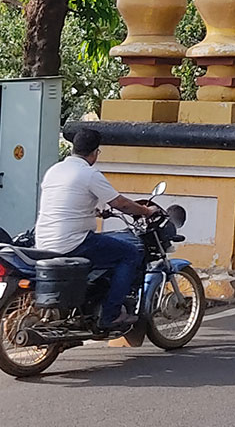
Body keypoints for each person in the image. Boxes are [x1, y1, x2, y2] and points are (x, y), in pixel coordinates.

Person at [36, 128, 160, 332]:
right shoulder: (89, 174)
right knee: (130, 253)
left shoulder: (55, 170)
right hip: (73, 243)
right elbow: (121, 204)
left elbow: (66, 204)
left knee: (107, 246)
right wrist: (146, 211)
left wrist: (94, 212)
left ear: (73, 148)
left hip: (44, 241)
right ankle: (110, 315)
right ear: (95, 153)